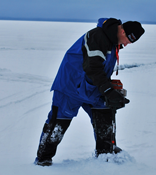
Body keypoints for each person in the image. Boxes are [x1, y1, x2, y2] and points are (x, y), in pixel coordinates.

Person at [34, 17, 145, 166]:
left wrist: (110, 86)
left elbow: (100, 69)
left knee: (105, 112)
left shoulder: (113, 42)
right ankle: (43, 160)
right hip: (71, 86)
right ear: (122, 30)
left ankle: (105, 153)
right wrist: (107, 90)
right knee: (58, 122)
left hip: (91, 88)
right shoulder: (98, 36)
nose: (126, 44)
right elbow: (92, 67)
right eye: (127, 40)